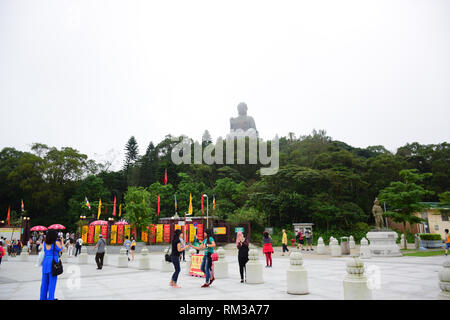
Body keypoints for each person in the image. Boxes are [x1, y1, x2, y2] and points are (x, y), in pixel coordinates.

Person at [40, 229, 63, 300]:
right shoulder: (56, 243)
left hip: (46, 262)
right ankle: (51, 298)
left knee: (44, 283)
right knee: (52, 283)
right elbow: (61, 249)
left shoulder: (45, 243)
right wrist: (62, 241)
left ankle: (43, 298)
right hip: (53, 263)